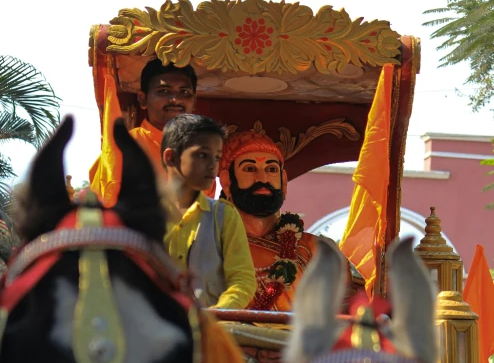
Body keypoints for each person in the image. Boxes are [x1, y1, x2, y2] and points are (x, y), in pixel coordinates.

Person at [219, 130, 362, 311]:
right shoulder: (210, 245)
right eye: (250, 169)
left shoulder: (317, 250)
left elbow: (344, 315)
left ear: (284, 181)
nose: (263, 178)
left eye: (271, 170)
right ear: (226, 182)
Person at [161, 114, 256, 310]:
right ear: (170, 158)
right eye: (203, 155)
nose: (213, 165)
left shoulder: (223, 215)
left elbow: (243, 279)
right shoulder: (144, 215)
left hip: (213, 328)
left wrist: (218, 315)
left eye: (217, 157)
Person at [90, 58, 213, 206]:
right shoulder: (123, 147)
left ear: (194, 100)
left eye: (184, 92)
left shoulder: (204, 151)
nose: (175, 99)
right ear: (142, 99)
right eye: (164, 91)